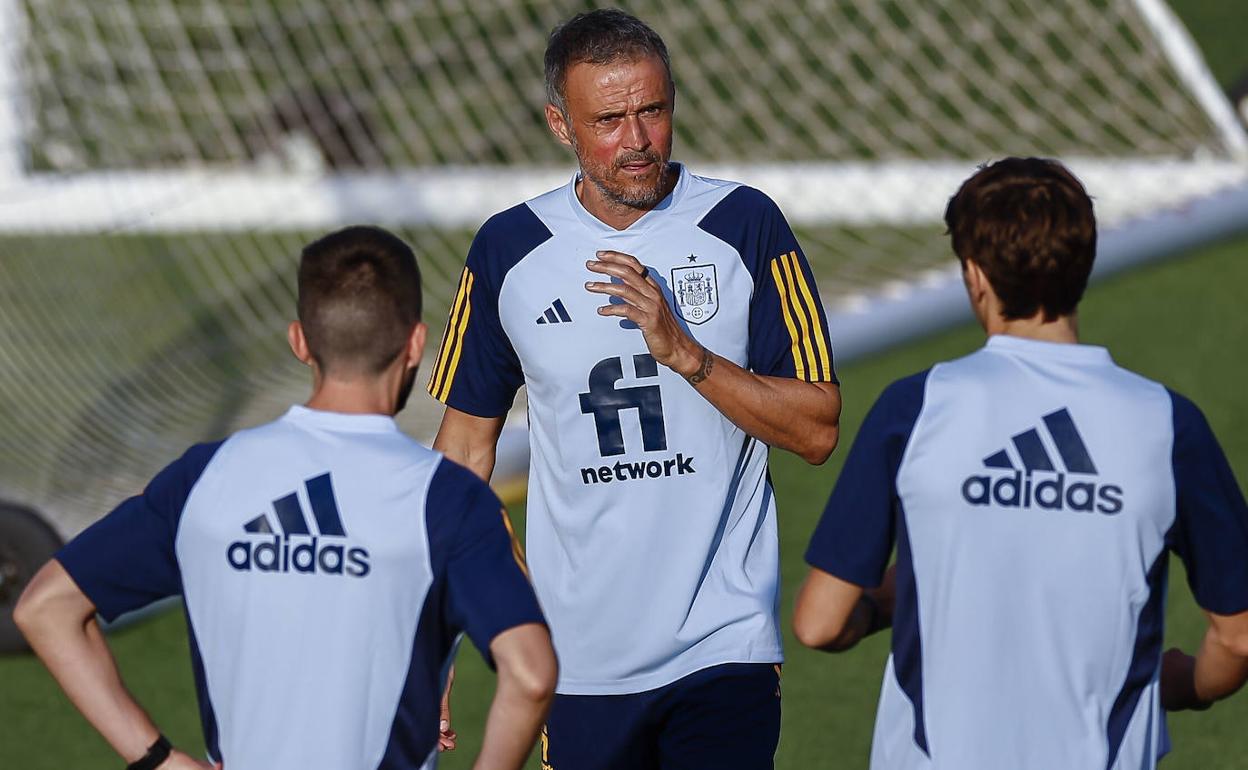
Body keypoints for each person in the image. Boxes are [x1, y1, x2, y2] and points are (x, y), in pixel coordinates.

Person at [425, 8, 841, 769]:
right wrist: (431, 639)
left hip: (725, 644)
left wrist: (689, 356)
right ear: (561, 125)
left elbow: (817, 429)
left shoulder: (744, 225)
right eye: (609, 120)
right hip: (578, 659)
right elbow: (460, 456)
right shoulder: (508, 250)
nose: (637, 140)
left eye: (652, 110)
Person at [15, 226, 557, 770]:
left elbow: (46, 608)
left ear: (299, 341)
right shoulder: (448, 498)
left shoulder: (205, 477)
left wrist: (159, 760)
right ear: (416, 342)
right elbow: (531, 676)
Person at [792, 157, 1248, 769]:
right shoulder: (1166, 424)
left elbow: (820, 622)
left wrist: (888, 602)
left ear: (976, 275)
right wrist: (1190, 685)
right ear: (1083, 265)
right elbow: (1239, 636)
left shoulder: (917, 407)